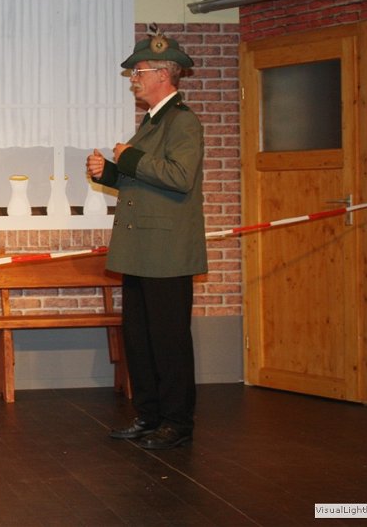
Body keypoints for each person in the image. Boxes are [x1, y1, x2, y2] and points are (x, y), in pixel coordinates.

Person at [85, 27, 207, 450]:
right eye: (134, 72)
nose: (133, 79)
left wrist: (130, 157)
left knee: (169, 342)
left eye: (139, 72)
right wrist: (111, 172)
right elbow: (146, 182)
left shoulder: (182, 121)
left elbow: (180, 177)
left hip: (167, 252)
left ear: (163, 74)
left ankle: (177, 422)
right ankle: (150, 415)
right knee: (139, 339)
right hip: (141, 251)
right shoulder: (153, 122)